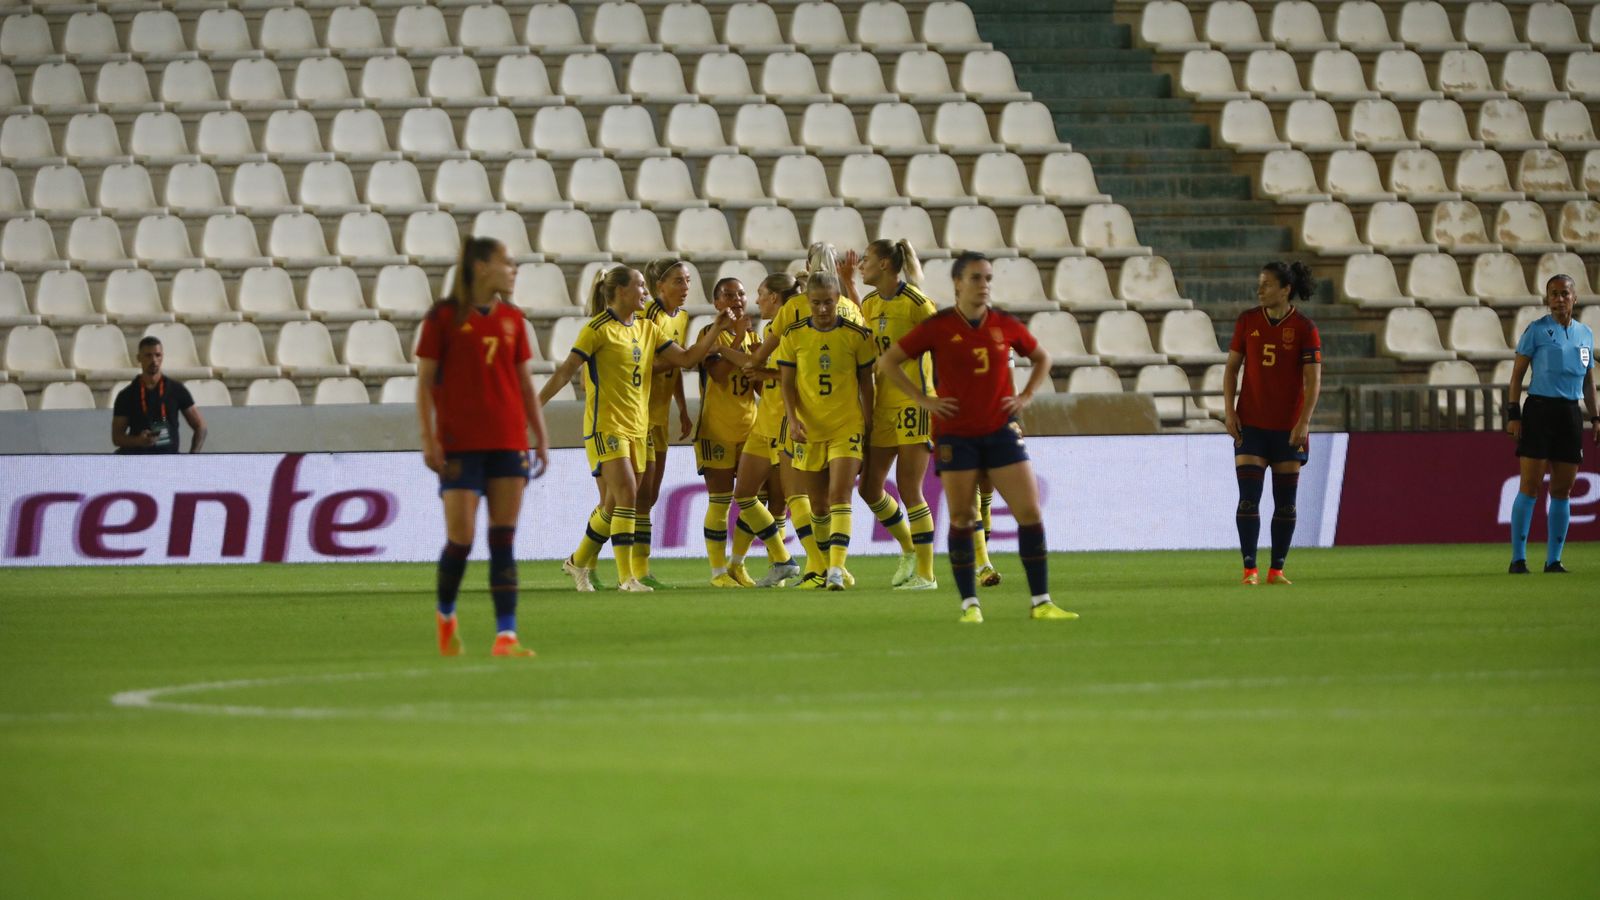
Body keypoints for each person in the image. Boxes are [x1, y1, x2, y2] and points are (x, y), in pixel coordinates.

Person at [878, 252, 1076, 623]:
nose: (984, 285)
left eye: (988, 278)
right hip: (956, 436)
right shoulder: (938, 326)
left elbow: (1042, 358)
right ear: (957, 283)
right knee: (962, 517)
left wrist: (1025, 396)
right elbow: (888, 361)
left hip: (1001, 432)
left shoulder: (1004, 324)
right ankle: (970, 605)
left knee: (1030, 512)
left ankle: (1041, 602)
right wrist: (924, 399)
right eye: (975, 278)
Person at [542, 265, 737, 592]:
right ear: (620, 291)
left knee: (614, 504)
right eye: (640, 286)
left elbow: (686, 359)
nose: (645, 292)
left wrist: (716, 329)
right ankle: (626, 578)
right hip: (606, 425)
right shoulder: (597, 328)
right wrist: (535, 406)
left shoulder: (647, 328)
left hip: (638, 425)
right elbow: (566, 372)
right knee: (627, 494)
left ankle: (578, 561)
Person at [415, 237, 551, 658]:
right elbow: (424, 383)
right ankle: (446, 616)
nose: (513, 269)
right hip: (460, 444)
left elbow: (525, 384)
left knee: (503, 539)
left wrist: (540, 436)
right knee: (461, 539)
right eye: (506, 262)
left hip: (508, 441)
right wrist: (429, 438)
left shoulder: (513, 318)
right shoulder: (443, 317)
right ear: (481, 267)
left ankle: (506, 636)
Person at [840, 239, 939, 590]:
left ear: (884, 264)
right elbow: (865, 333)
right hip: (882, 405)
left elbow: (944, 345)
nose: (861, 265)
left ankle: (926, 574)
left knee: (910, 488)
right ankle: (909, 549)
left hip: (914, 404)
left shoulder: (917, 303)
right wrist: (848, 284)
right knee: (869, 487)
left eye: (866, 259)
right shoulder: (869, 302)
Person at [1222, 260, 1323, 586]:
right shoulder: (1248, 321)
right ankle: (1249, 569)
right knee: (1248, 498)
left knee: (1286, 504)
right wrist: (1230, 411)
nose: (1260, 290)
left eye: (1266, 284)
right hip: (1251, 424)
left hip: (1288, 428)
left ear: (1285, 289)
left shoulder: (1305, 328)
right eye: (1260, 283)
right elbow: (1231, 369)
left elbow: (1313, 380)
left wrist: (1304, 422)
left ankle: (1276, 569)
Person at [774, 272, 877, 590]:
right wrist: (792, 419)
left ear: (838, 300)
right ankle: (825, 566)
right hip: (809, 429)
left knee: (839, 495)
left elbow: (867, 384)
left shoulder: (857, 335)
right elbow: (787, 384)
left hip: (847, 426)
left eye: (828, 303)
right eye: (816, 303)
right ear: (807, 301)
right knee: (818, 506)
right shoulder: (793, 335)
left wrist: (869, 422)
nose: (822, 309)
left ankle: (835, 570)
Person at [694, 276, 798, 587]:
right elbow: (719, 374)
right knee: (720, 501)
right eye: (728, 295)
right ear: (716, 303)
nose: (737, 300)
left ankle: (738, 565)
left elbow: (759, 386)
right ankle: (718, 573)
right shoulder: (709, 333)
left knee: (758, 500)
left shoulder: (757, 336)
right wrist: (738, 338)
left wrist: (759, 368)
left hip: (751, 426)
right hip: (716, 429)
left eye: (740, 294)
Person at [1505, 274, 1597, 574]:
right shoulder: (1536, 330)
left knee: (1562, 489)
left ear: (1574, 298)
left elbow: (1588, 383)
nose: (1559, 299)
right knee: (1530, 486)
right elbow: (1517, 375)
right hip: (1539, 411)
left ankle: (1554, 560)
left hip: (1570, 414)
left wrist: (1596, 417)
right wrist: (1513, 414)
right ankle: (1518, 559)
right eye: (1554, 294)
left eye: (1564, 294)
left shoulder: (1585, 334)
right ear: (1547, 299)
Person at [729, 274, 804, 588]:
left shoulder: (793, 328)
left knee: (779, 501)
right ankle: (758, 563)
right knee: (749, 496)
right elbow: (763, 368)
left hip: (784, 422)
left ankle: (791, 562)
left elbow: (799, 372)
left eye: (760, 293)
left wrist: (762, 371)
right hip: (765, 420)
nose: (757, 299)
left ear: (774, 297)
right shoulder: (771, 329)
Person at [631, 258, 695, 589]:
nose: (686, 287)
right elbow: (640, 365)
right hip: (639, 414)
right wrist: (678, 358)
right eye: (679, 281)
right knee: (637, 496)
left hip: (660, 415)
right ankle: (635, 569)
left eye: (688, 280)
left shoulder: (681, 317)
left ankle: (633, 568)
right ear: (660, 287)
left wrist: (681, 407)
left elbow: (676, 365)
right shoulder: (648, 316)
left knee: (651, 495)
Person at [112, 337, 206, 454]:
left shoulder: (176, 389)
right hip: (137, 459)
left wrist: (193, 458)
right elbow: (117, 438)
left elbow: (200, 426)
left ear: (162, 357)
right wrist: (138, 441)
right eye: (148, 355)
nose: (154, 360)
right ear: (139, 358)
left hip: (168, 459)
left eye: (158, 355)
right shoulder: (127, 394)